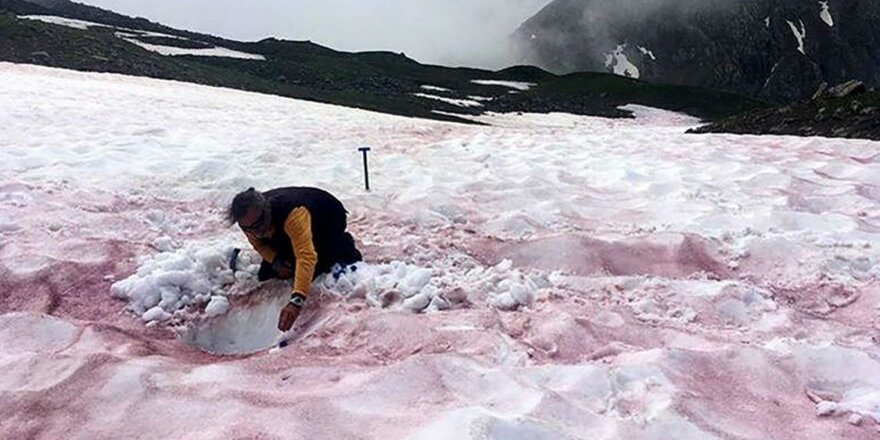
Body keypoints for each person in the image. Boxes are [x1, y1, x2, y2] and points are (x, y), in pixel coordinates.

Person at [228, 187, 362, 331]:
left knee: (316, 269)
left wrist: (296, 300)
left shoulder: (293, 214)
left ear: (266, 210)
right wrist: (275, 260)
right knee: (269, 273)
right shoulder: (248, 222)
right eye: (248, 229)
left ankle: (343, 245)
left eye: (258, 225)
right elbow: (259, 244)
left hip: (327, 218)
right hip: (282, 227)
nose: (256, 232)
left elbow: (306, 257)